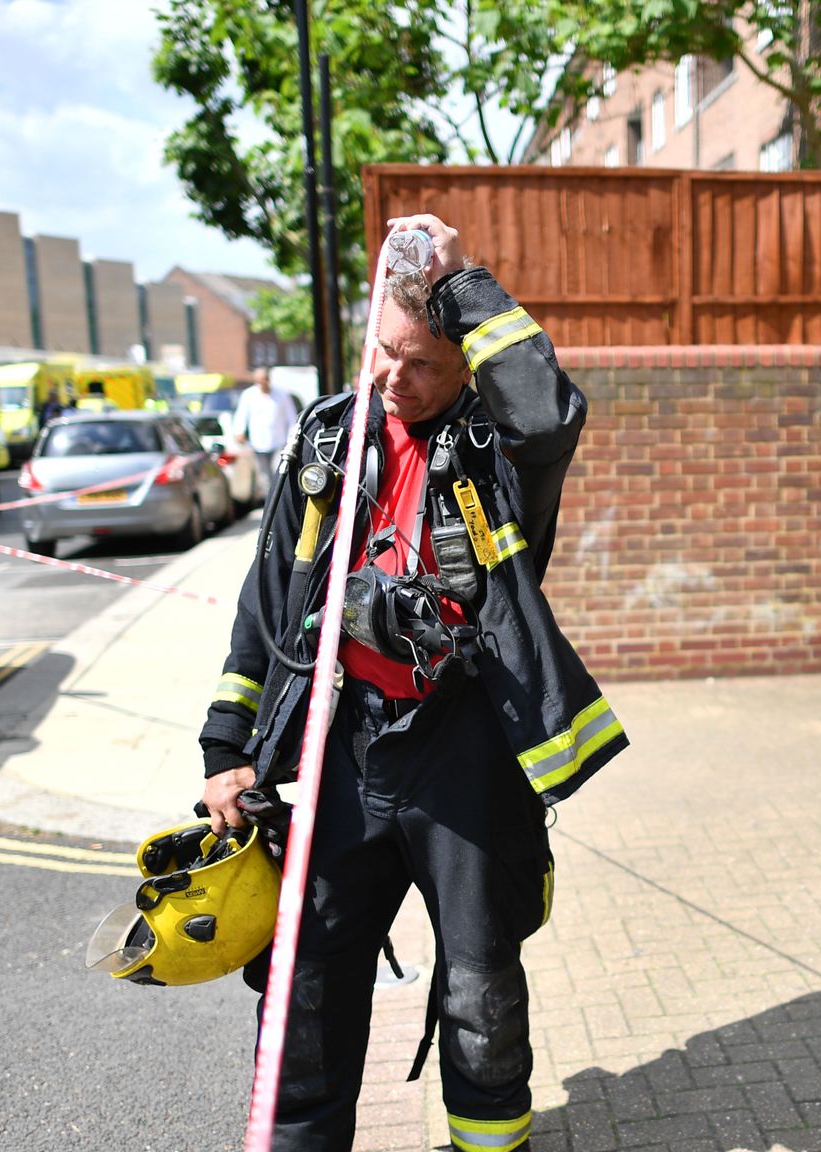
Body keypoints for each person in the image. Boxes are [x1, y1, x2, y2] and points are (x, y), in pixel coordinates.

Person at [197, 213, 626, 1152]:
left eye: (421, 363)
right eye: (384, 354)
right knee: (302, 987)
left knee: (479, 992)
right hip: (343, 749)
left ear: (466, 363)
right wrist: (227, 748)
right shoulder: (330, 435)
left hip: (463, 751)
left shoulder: (501, 447)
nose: (394, 379)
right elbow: (267, 599)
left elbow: (549, 408)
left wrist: (461, 285)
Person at [229, 365, 298, 499]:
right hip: (258, 442)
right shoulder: (248, 395)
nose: (262, 383)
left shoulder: (282, 395)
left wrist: (291, 437)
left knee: (278, 471)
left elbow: (291, 417)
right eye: (259, 380)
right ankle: (270, 501)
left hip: (279, 441)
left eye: (264, 379)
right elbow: (241, 415)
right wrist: (239, 431)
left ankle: (280, 499)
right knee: (264, 477)